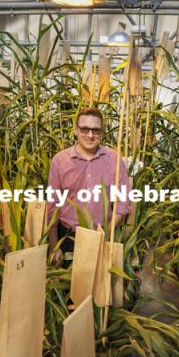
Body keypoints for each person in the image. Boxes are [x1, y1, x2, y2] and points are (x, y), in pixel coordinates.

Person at [48, 107, 131, 262]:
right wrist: (54, 246)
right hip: (68, 238)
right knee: (70, 286)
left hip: (101, 237)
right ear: (75, 130)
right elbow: (52, 207)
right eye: (85, 129)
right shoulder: (59, 161)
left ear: (102, 132)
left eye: (96, 130)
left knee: (98, 286)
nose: (90, 135)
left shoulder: (114, 160)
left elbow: (123, 203)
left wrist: (106, 234)